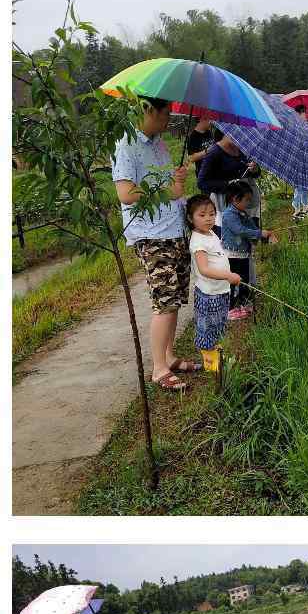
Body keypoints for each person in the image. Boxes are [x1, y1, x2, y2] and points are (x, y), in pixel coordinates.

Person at [111, 96, 196, 392]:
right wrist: (168, 192)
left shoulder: (158, 143)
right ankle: (159, 369)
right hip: (151, 234)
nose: (167, 120)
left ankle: (169, 356)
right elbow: (125, 193)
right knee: (164, 300)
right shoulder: (126, 145)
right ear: (148, 110)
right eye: (164, 114)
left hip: (173, 229)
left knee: (175, 298)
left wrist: (178, 179)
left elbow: (166, 184)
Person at [187, 193, 240, 359]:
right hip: (209, 294)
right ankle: (211, 363)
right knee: (208, 327)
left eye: (212, 214)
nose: (208, 218)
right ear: (190, 218)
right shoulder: (198, 241)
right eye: (202, 215)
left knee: (218, 324)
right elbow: (204, 269)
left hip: (220, 290)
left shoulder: (211, 234)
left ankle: (216, 353)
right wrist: (227, 275)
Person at [220, 180, 276, 319]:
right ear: (234, 198)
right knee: (234, 282)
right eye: (246, 200)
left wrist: (262, 233)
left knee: (244, 280)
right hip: (232, 255)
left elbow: (251, 227)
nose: (248, 203)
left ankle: (244, 303)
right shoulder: (229, 214)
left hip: (243, 254)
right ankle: (231, 309)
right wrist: (259, 234)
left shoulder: (242, 212)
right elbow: (240, 230)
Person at [196, 135, 259, 221]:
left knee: (252, 230)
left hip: (248, 202)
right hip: (227, 204)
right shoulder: (214, 153)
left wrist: (255, 170)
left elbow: (255, 173)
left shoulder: (243, 148)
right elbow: (201, 183)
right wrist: (227, 184)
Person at [291, 103, 308, 217]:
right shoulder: (294, 127)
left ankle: (305, 208)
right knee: (299, 186)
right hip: (297, 161)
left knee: (306, 186)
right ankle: (297, 210)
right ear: (299, 114)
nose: (306, 115)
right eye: (304, 112)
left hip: (306, 160)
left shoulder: (305, 126)